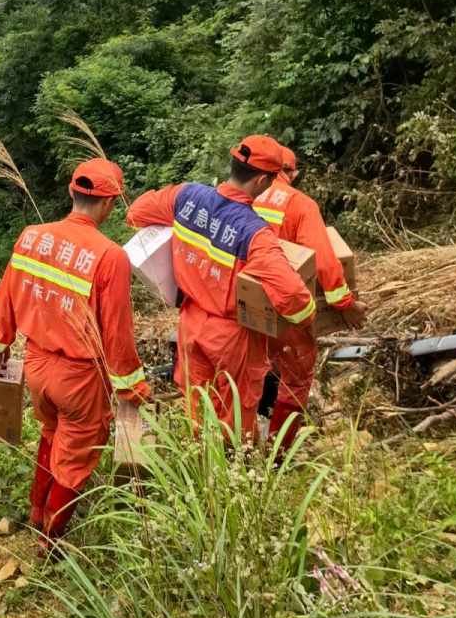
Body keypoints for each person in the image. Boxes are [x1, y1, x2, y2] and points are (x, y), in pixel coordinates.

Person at [0, 159, 150, 547]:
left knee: (50, 431)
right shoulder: (110, 257)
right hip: (79, 376)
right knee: (75, 458)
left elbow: (6, 296)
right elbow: (118, 333)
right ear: (109, 203)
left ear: (71, 194)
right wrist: (132, 389)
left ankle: (37, 511)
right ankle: (49, 543)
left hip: (37, 365)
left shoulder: (31, 237)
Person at [127, 137, 316, 444]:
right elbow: (294, 296)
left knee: (198, 407)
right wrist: (307, 320)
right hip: (231, 338)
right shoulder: (254, 232)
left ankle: (199, 472)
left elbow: (136, 212)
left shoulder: (186, 196)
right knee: (233, 419)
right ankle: (226, 481)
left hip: (190, 324)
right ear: (263, 179)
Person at [255, 147, 364, 455]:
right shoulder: (300, 204)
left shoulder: (242, 194)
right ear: (290, 173)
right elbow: (325, 265)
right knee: (296, 378)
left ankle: (243, 445)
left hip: (241, 304)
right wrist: (347, 306)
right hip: (287, 306)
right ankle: (276, 455)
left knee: (251, 370)